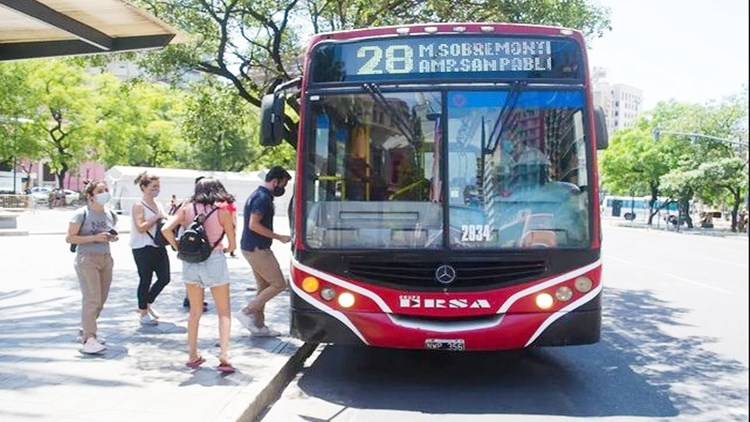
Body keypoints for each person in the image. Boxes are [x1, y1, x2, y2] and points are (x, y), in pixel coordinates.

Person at [161, 177, 237, 372]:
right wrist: (223, 250)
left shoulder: (187, 209)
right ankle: (224, 356)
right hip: (215, 261)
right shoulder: (223, 212)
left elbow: (165, 229)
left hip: (191, 262)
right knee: (223, 312)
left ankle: (193, 354)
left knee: (195, 312)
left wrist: (178, 246)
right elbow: (232, 244)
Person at [236, 166, 292, 337]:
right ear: (275, 181)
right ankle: (246, 312)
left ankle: (259, 327)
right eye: (283, 184)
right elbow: (254, 225)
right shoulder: (262, 198)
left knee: (264, 286)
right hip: (257, 249)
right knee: (278, 284)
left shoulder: (259, 194)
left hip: (252, 247)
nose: (283, 188)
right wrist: (279, 237)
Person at [65, 180, 118, 355]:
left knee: (101, 299)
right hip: (87, 258)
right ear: (91, 196)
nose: (105, 193)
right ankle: (89, 338)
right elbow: (70, 238)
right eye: (100, 191)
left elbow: (108, 232)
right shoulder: (82, 214)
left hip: (105, 258)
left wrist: (110, 238)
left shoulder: (110, 214)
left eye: (106, 190)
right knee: (92, 298)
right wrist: (93, 237)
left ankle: (87, 329)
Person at [130, 171, 170, 326]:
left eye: (158, 186)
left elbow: (166, 219)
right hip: (142, 247)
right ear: (143, 187)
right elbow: (140, 227)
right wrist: (156, 217)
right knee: (145, 279)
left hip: (158, 245)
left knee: (164, 277)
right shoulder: (138, 205)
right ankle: (143, 312)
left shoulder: (158, 204)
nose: (156, 189)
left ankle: (147, 303)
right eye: (153, 186)